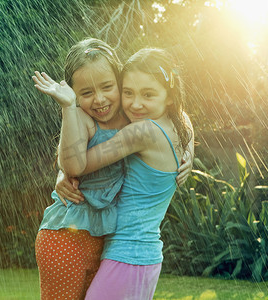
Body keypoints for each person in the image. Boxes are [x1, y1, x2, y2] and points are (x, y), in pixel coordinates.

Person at [38, 47, 193, 299]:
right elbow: (184, 118)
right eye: (128, 92)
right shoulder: (171, 123)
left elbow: (76, 165)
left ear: (169, 97)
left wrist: (65, 171)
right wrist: (190, 148)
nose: (136, 103)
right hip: (138, 254)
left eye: (148, 94)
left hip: (129, 254)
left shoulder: (141, 131)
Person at [32, 38, 128, 300]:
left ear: (121, 82)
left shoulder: (134, 114)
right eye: (86, 94)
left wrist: (187, 149)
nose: (99, 99)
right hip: (66, 237)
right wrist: (68, 107)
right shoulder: (83, 118)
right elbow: (72, 162)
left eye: (108, 87)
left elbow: (173, 114)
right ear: (73, 93)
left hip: (110, 240)